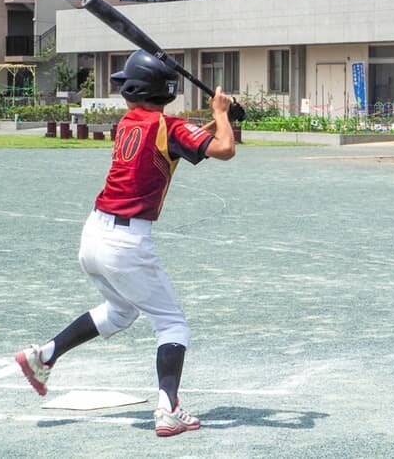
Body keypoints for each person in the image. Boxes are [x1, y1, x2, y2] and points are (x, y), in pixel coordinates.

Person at [15, 50, 237, 437]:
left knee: (120, 312)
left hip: (94, 235)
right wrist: (220, 112)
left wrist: (221, 118)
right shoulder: (170, 126)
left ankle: (43, 355)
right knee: (172, 324)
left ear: (135, 90)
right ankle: (169, 409)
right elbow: (224, 149)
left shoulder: (129, 122)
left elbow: (185, 137)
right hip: (127, 242)